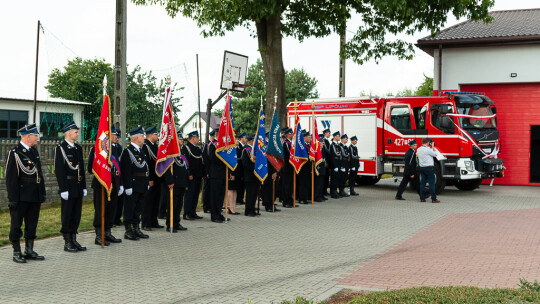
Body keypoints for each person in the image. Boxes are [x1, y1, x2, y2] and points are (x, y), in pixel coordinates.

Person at [5, 124, 46, 263]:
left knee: (32, 223)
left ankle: (29, 250)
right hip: (21, 196)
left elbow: (39, 174)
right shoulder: (15, 153)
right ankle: (17, 251)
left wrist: (42, 192)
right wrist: (12, 198)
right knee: (16, 224)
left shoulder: (34, 152)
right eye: (35, 135)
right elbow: (10, 178)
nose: (37, 138)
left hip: (34, 195)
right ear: (28, 136)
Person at [54, 121, 88, 252]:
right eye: (75, 132)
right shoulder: (61, 148)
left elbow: (81, 169)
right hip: (68, 186)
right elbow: (59, 170)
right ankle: (67, 241)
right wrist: (63, 189)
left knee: (76, 214)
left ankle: (74, 239)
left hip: (78, 185)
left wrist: (83, 186)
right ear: (68, 133)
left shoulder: (77, 148)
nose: (77, 134)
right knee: (67, 214)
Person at [87, 131, 123, 246]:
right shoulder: (97, 149)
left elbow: (118, 168)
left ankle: (108, 232)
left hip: (113, 184)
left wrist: (120, 184)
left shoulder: (116, 149)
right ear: (108, 135)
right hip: (101, 184)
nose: (117, 138)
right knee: (100, 210)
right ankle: (99, 235)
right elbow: (89, 168)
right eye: (115, 135)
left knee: (111, 210)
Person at [120, 126, 150, 240]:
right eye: (142, 136)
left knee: (138, 208)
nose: (144, 138)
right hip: (132, 185)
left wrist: (146, 182)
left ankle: (136, 228)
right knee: (130, 208)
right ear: (136, 137)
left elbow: (146, 168)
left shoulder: (141, 151)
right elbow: (126, 171)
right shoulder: (127, 152)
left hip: (142, 184)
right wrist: (127, 186)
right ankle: (128, 230)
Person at [162, 131, 189, 232]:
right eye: (180, 138)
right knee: (172, 205)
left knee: (178, 205)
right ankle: (170, 224)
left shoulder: (182, 152)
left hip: (181, 182)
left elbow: (185, 167)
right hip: (173, 183)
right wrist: (169, 181)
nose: (182, 140)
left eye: (182, 139)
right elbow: (167, 169)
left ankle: (177, 222)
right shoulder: (170, 153)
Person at [141, 126, 164, 231]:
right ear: (150, 134)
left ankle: (154, 221)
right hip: (150, 178)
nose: (157, 136)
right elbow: (147, 164)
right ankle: (146, 223)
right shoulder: (145, 146)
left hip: (157, 178)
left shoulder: (155, 146)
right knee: (148, 202)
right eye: (156, 134)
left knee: (156, 201)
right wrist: (149, 178)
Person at [181, 131, 205, 220]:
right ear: (192, 138)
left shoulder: (197, 149)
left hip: (198, 175)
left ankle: (193, 212)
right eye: (197, 137)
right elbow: (186, 162)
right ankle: (187, 213)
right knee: (189, 194)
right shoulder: (186, 148)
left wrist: (203, 173)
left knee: (195, 194)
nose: (198, 139)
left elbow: (201, 162)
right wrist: (189, 173)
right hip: (191, 175)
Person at [207, 133, 229, 223]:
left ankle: (219, 213)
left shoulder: (224, 146)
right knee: (215, 196)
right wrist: (223, 156)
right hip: (215, 174)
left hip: (223, 173)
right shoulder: (213, 145)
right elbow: (213, 159)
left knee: (220, 196)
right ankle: (214, 215)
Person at [417, 138, 441, 203]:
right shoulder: (427, 149)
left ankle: (422, 198)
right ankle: (434, 199)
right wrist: (432, 147)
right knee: (431, 184)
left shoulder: (419, 149)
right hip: (429, 168)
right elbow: (436, 154)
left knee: (422, 184)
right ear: (428, 143)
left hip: (422, 168)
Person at [242, 134, 260, 216]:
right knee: (250, 194)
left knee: (254, 193)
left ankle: (252, 209)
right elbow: (245, 163)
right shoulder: (246, 150)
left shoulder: (254, 150)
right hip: (249, 175)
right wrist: (254, 168)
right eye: (254, 141)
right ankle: (248, 211)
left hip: (255, 175)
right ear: (251, 141)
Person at [262, 132, 280, 212]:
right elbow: (268, 160)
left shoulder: (273, 146)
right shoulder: (264, 146)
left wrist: (276, 171)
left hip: (274, 170)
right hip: (268, 171)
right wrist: (273, 171)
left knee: (274, 189)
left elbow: (276, 160)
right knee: (267, 188)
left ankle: (272, 203)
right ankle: (267, 205)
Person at [202, 129, 218, 213]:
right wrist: (207, 172)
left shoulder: (214, 144)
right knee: (207, 189)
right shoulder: (207, 145)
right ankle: (206, 206)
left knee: (212, 190)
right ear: (212, 136)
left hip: (212, 172)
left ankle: (211, 206)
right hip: (209, 171)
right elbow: (206, 160)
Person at [112, 128, 125, 226]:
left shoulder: (119, 148)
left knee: (120, 201)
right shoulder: (108, 148)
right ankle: (112, 220)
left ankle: (117, 219)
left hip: (119, 177)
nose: (118, 138)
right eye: (116, 136)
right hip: (112, 178)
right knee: (113, 202)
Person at [281, 128, 295, 208]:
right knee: (286, 185)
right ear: (287, 135)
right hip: (286, 167)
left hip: (291, 167)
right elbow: (286, 156)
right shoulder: (285, 143)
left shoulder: (291, 143)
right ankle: (285, 201)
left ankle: (290, 200)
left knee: (290, 185)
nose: (292, 135)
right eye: (291, 134)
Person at [298, 130, 312, 204]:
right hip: (303, 167)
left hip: (308, 167)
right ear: (305, 137)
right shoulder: (302, 145)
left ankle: (305, 198)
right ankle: (301, 198)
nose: (310, 139)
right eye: (309, 137)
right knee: (302, 184)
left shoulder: (308, 145)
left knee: (307, 183)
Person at [313, 134, 328, 202]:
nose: (323, 144)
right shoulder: (317, 151)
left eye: (323, 143)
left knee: (321, 183)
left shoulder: (322, 150)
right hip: (318, 169)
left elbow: (324, 158)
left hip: (322, 169)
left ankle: (321, 195)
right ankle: (316, 196)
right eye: (322, 143)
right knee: (317, 184)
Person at [329, 131, 342, 198]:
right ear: (335, 137)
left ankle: (335, 191)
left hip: (338, 165)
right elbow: (332, 157)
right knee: (333, 180)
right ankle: (333, 193)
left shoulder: (337, 145)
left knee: (337, 179)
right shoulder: (332, 146)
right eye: (338, 136)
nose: (339, 137)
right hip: (335, 166)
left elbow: (339, 156)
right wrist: (334, 166)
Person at [235, 132, 247, 206]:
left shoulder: (244, 147)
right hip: (238, 168)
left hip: (242, 169)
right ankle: (238, 199)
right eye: (245, 137)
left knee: (242, 185)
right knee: (239, 185)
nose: (246, 139)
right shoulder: (238, 146)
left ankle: (241, 198)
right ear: (241, 138)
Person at [322, 129, 331, 196]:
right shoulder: (323, 141)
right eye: (329, 133)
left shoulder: (327, 141)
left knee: (326, 177)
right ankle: (323, 191)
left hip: (327, 161)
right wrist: (326, 161)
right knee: (324, 178)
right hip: (325, 161)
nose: (329, 134)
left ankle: (325, 190)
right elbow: (324, 152)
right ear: (325, 133)